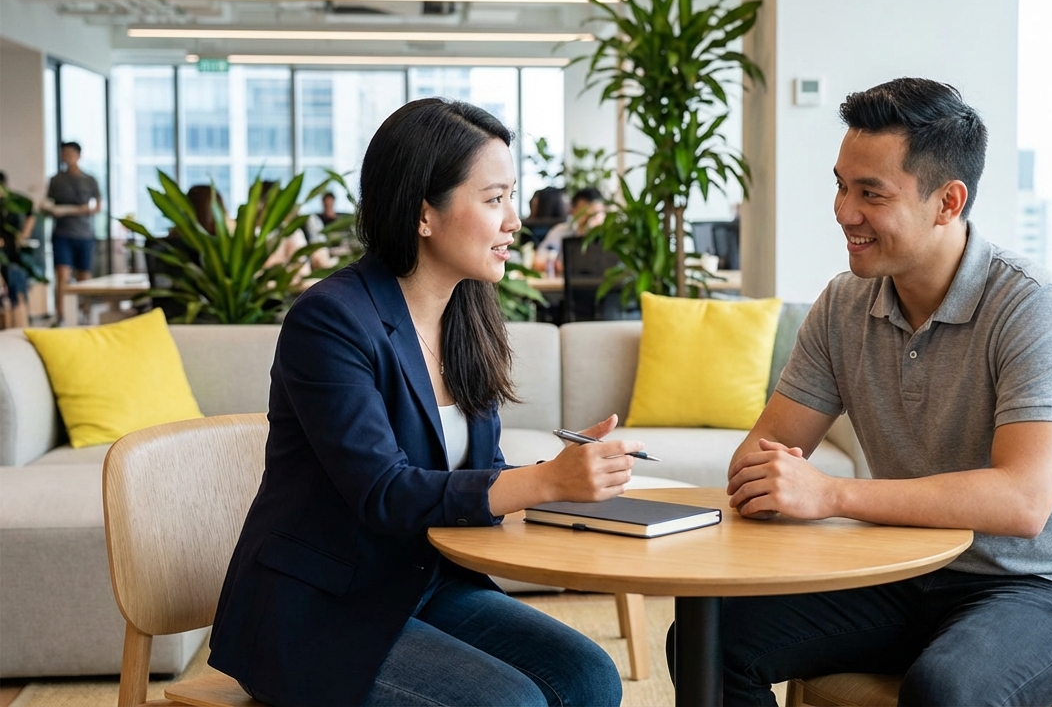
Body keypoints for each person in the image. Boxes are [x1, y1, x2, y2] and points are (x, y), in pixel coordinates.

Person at [697, 78, 1052, 706]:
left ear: (947, 202)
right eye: (842, 185)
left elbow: (1021, 502)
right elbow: (757, 459)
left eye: (871, 194)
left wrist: (831, 494)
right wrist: (769, 481)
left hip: (1048, 587)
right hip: (909, 571)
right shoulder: (844, 304)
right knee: (709, 640)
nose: (845, 211)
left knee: (946, 690)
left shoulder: (1034, 307)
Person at [209, 98, 638, 707]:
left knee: (590, 677)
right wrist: (544, 481)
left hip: (424, 584)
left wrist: (562, 480)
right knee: (509, 703)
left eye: (511, 197)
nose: (515, 220)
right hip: (319, 610)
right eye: (494, 200)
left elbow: (470, 479)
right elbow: (385, 492)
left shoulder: (468, 312)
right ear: (423, 214)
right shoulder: (330, 321)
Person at [42, 141, 102, 325]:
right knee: (62, 275)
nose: (66, 156)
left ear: (78, 155)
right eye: (63, 153)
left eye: (69, 153)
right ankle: (61, 315)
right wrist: (52, 209)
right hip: (62, 233)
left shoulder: (90, 179)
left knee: (84, 276)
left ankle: (86, 313)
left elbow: (98, 207)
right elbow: (48, 204)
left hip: (84, 234)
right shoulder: (55, 180)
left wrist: (76, 210)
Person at [533, 187, 606, 275]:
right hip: (566, 286)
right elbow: (538, 261)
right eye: (584, 214)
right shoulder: (561, 231)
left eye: (595, 215)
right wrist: (555, 266)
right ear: (573, 211)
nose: (590, 221)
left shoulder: (613, 235)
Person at [0, 172, 37, 329]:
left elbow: (31, 213)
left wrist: (23, 235)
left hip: (12, 250)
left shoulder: (13, 201)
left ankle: (20, 322)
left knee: (16, 286)